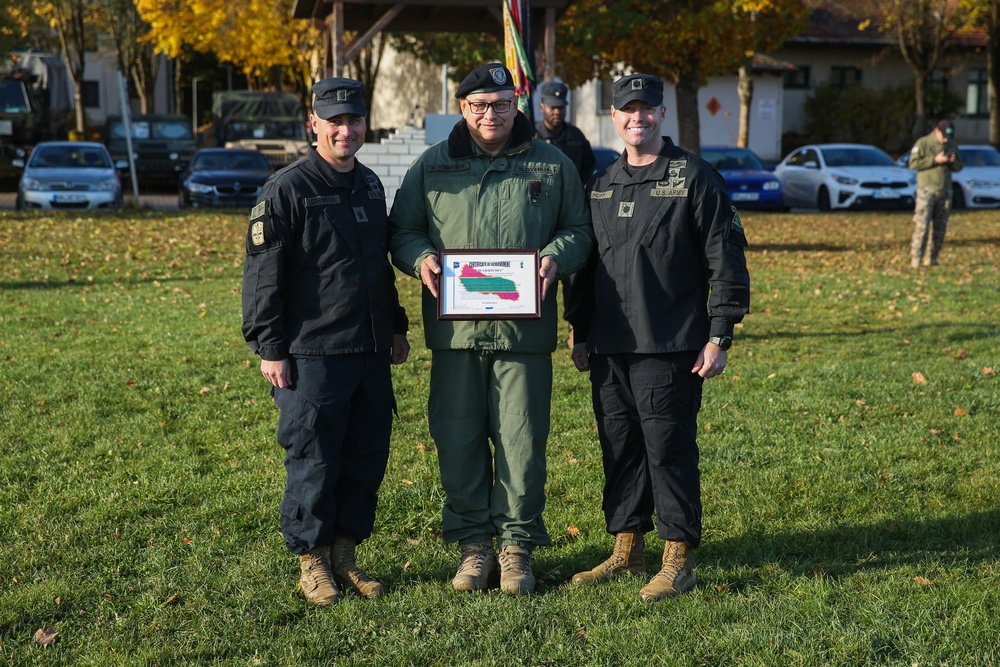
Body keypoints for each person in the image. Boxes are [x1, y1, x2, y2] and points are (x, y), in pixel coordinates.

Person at [388, 63, 592, 595]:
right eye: (479, 105)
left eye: (501, 104)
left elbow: (580, 230)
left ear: (516, 105)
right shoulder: (434, 165)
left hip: (524, 335)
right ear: (463, 108)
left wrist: (554, 256)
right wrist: (421, 259)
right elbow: (403, 231)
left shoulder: (552, 164)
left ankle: (516, 547)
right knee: (457, 440)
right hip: (454, 335)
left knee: (522, 441)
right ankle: (474, 546)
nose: (490, 115)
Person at [565, 74, 750, 601]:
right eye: (627, 110)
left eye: (647, 110)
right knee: (620, 447)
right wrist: (579, 329)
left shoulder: (694, 177)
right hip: (608, 345)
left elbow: (725, 257)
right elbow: (584, 266)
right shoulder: (600, 183)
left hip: (671, 345)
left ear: (662, 115)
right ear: (614, 116)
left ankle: (678, 558)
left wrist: (720, 333)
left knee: (667, 450)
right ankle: (627, 550)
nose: (637, 119)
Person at [241, 77, 410, 606]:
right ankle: (311, 563)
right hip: (311, 353)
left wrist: (397, 325)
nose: (345, 130)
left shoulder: (369, 184)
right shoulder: (286, 189)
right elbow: (263, 275)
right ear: (313, 123)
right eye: (333, 121)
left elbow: (376, 267)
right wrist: (270, 346)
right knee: (313, 458)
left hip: (368, 349)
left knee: (365, 457)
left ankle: (345, 556)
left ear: (364, 123)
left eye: (353, 120)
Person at [908, 119, 963, 268]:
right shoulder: (923, 143)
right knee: (922, 226)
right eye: (944, 135)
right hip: (927, 190)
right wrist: (934, 160)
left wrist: (952, 162)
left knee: (940, 227)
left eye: (949, 136)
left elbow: (959, 166)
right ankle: (916, 258)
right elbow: (913, 163)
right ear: (936, 131)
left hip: (944, 191)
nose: (946, 139)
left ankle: (932, 258)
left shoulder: (951, 144)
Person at [534, 81, 597, 185]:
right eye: (553, 107)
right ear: (542, 107)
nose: (557, 112)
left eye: (561, 107)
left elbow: (589, 164)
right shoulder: (534, 135)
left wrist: (577, 184)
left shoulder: (576, 135)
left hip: (570, 197)